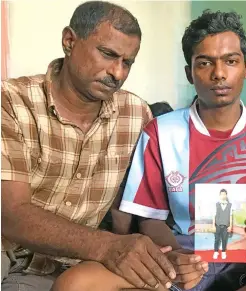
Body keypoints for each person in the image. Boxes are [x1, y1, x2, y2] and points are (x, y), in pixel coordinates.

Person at [52, 10, 246, 291]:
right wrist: (174, 258)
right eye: (205, 63)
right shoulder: (161, 132)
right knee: (75, 283)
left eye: (230, 61)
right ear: (190, 72)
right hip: (187, 257)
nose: (219, 74)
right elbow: (149, 220)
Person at [1, 2, 178, 291]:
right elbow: (11, 213)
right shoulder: (11, 101)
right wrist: (109, 247)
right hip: (7, 253)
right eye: (107, 54)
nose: (117, 73)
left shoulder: (135, 114)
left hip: (79, 264)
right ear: (69, 41)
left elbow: (136, 203)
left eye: (127, 62)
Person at [212, 189, 233, 260]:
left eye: (224, 194)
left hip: (226, 226)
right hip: (217, 225)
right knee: (217, 239)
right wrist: (213, 225)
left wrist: (230, 226)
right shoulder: (216, 204)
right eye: (222, 194)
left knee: (224, 239)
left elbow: (230, 216)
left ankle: (223, 252)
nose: (223, 195)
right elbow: (214, 215)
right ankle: (215, 252)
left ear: (226, 195)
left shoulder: (230, 205)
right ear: (219, 195)